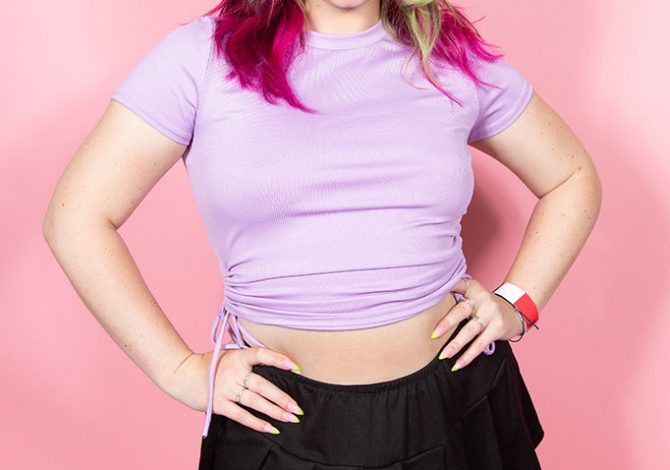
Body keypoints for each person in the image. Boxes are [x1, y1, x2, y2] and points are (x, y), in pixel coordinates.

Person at [42, 0, 602, 468]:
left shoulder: (446, 55)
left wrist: (517, 304)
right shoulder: (200, 57)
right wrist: (178, 370)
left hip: (457, 399)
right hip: (278, 417)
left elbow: (571, 178)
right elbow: (77, 216)